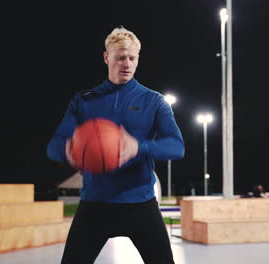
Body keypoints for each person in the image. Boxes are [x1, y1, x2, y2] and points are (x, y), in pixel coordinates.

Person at [47, 27, 184, 264]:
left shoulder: (154, 101)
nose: (126, 63)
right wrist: (67, 151)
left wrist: (138, 148)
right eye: (120, 57)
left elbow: (176, 146)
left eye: (132, 58)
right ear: (106, 57)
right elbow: (53, 146)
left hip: (140, 204)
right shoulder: (84, 100)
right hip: (94, 205)